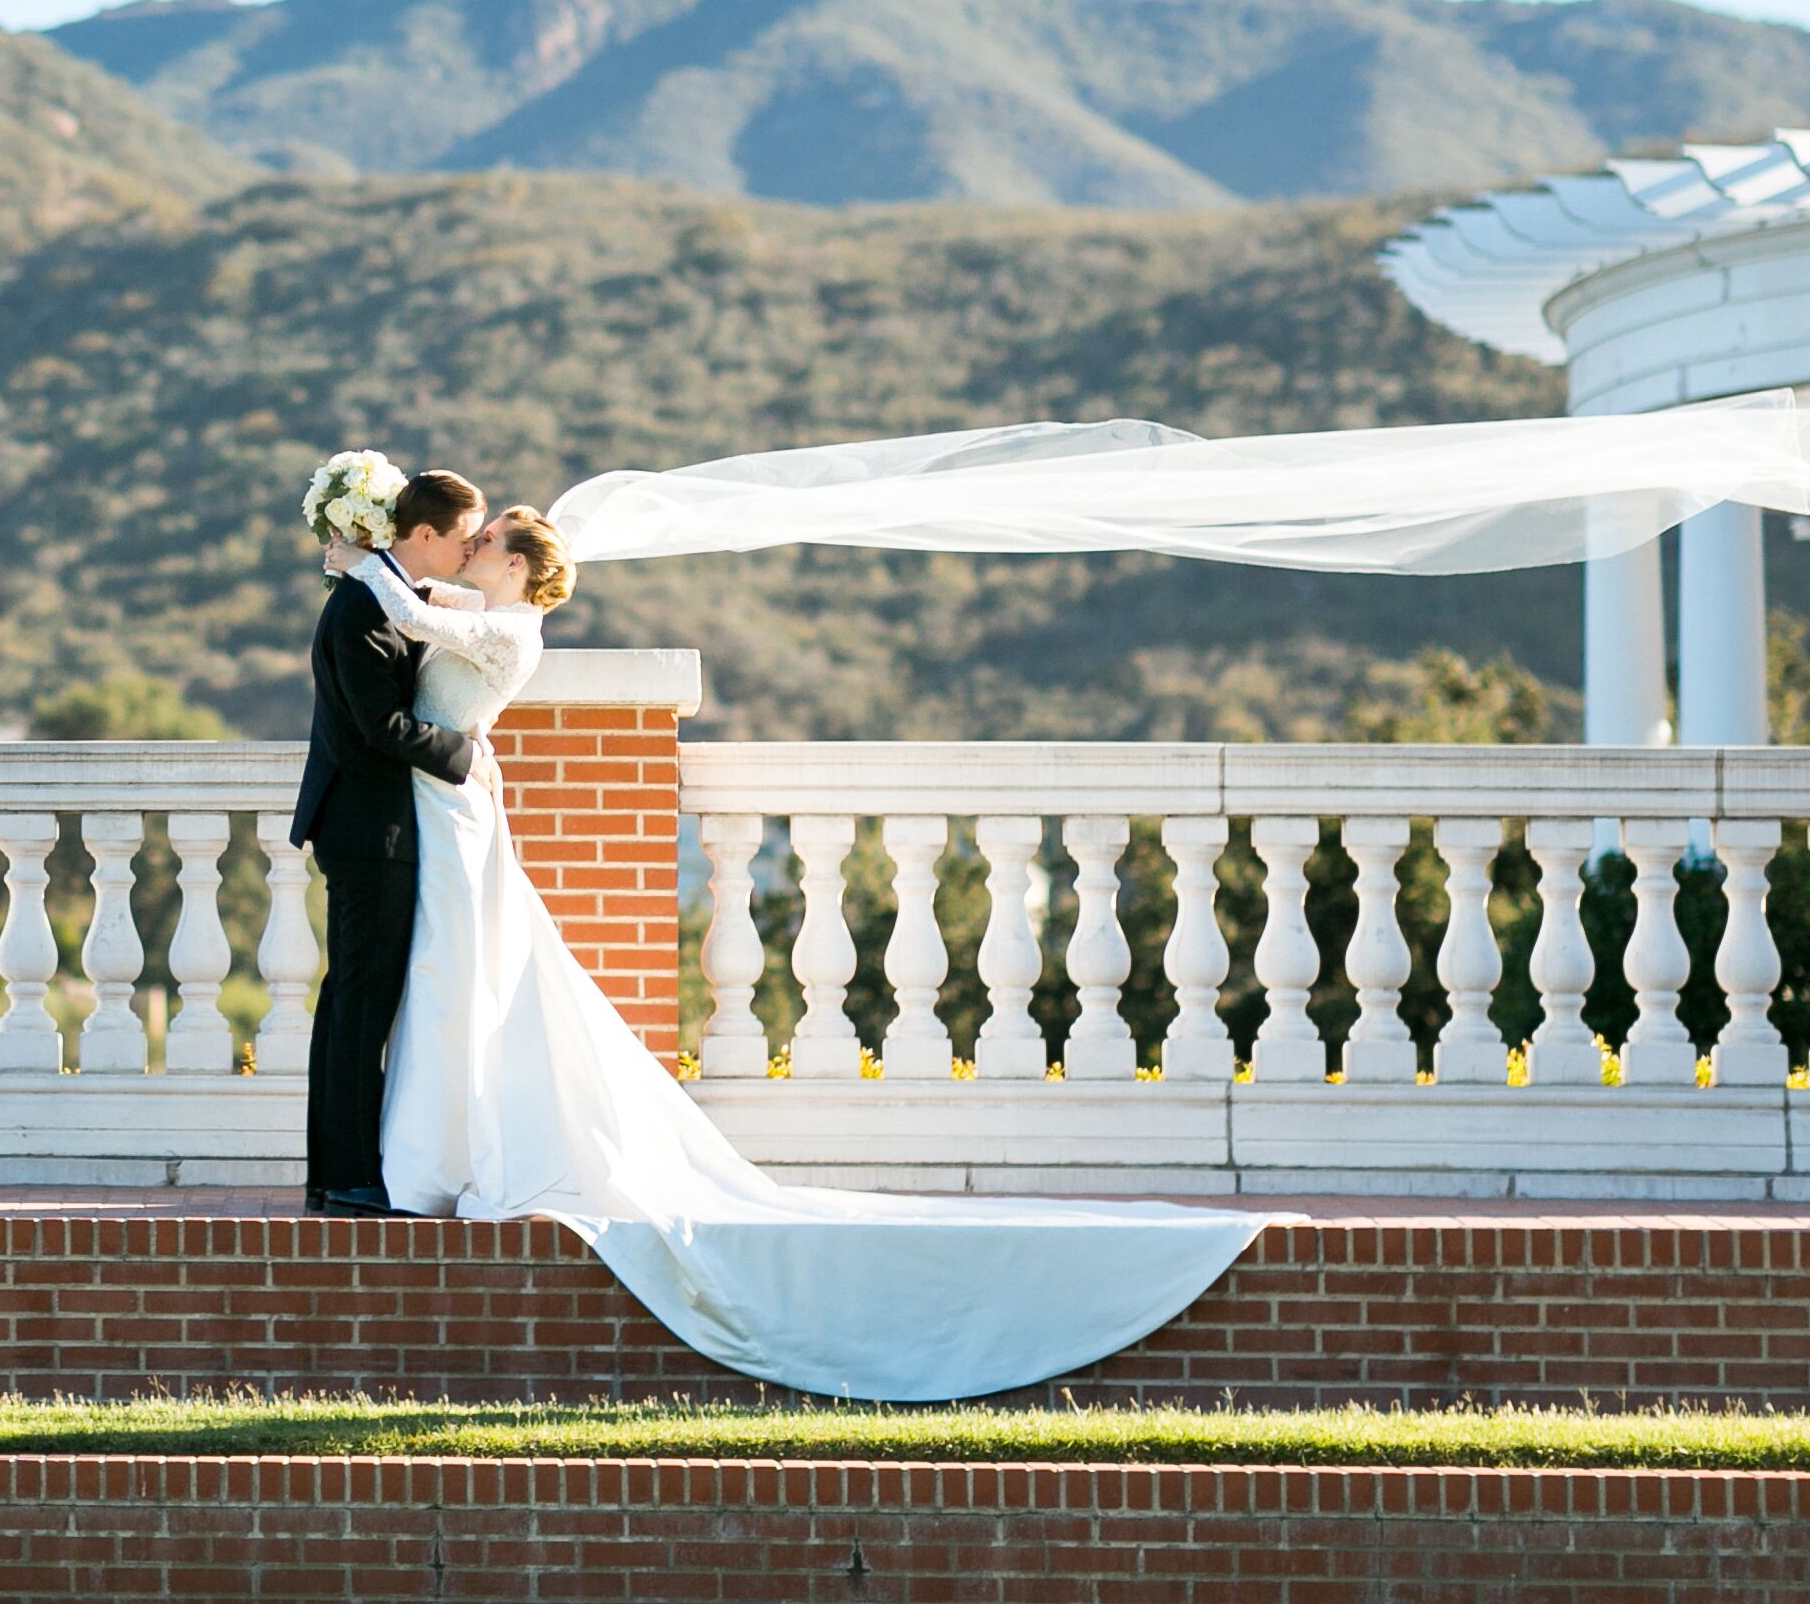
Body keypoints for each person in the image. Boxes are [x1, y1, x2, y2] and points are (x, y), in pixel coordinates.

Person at [341, 509, 1269, 1402]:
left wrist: (361, 562)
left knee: (455, 972)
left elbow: (416, 614)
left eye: (488, 537)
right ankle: (433, 1139)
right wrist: (375, 554)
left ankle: (444, 1150)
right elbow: (429, 601)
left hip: (451, 804)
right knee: (450, 975)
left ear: (516, 562)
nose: (474, 544)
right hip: (439, 805)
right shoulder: (490, 612)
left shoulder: (513, 636)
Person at [287, 466, 483, 1217]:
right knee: (360, 1002)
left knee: (352, 1001)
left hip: (373, 826)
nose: (470, 552)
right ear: (426, 535)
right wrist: (467, 757)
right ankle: (347, 1176)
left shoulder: (381, 595)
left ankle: (334, 1172)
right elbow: (382, 728)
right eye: (465, 538)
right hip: (371, 830)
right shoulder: (362, 607)